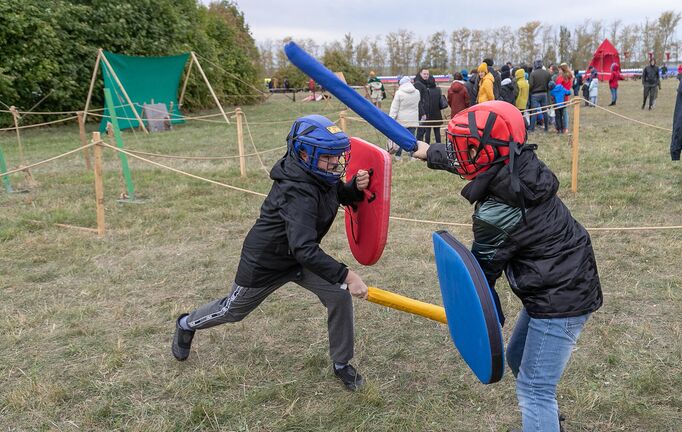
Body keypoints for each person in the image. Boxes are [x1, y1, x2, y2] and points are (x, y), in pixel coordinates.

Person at [412, 101, 602, 432]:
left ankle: (542, 418)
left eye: (465, 146)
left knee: (534, 388)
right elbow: (474, 162)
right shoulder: (520, 165)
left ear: (486, 152)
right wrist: (428, 152)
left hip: (562, 295)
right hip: (557, 278)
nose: (460, 153)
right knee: (517, 358)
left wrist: (468, 315)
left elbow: (479, 279)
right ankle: (544, 423)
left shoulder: (498, 214)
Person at [171, 115, 371, 392]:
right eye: (328, 157)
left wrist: (353, 189)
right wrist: (348, 275)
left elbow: (335, 194)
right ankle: (186, 323)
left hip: (300, 257)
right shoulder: (296, 190)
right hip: (267, 262)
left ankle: (341, 364)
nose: (335, 163)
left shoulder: (316, 172)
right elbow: (304, 247)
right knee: (233, 310)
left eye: (337, 156)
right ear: (304, 153)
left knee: (338, 296)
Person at [389, 76, 420, 160]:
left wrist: (391, 119)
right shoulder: (417, 92)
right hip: (413, 119)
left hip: (401, 120)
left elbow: (394, 108)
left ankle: (398, 156)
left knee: (401, 138)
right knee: (412, 138)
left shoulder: (399, 93)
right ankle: (413, 155)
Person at [528, 60, 551, 131]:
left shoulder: (533, 74)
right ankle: (546, 128)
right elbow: (549, 84)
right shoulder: (547, 73)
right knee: (545, 111)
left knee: (534, 112)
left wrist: (530, 91)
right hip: (544, 93)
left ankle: (532, 128)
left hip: (535, 94)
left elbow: (530, 85)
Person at [555, 63, 574, 133]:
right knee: (565, 113)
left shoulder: (561, 78)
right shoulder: (569, 76)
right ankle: (565, 128)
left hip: (560, 97)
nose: (559, 71)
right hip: (566, 97)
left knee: (560, 113)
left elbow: (558, 87)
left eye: (559, 69)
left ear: (562, 69)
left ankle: (562, 128)